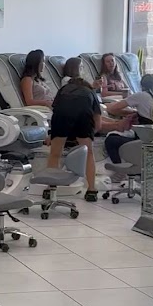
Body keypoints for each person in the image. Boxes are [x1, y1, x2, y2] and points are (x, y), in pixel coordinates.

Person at [47, 59, 103, 201]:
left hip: (61, 117)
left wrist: (52, 135)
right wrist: (88, 136)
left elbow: (56, 111)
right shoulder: (90, 92)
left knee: (55, 154)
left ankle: (51, 188)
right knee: (89, 153)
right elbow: (98, 124)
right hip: (83, 117)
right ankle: (91, 190)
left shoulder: (63, 90)